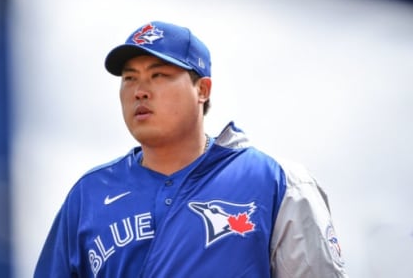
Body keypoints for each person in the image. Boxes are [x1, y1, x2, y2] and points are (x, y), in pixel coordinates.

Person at [34, 21, 348, 277]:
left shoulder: (276, 182)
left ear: (202, 89)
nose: (140, 91)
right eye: (130, 78)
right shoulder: (89, 194)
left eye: (159, 75)